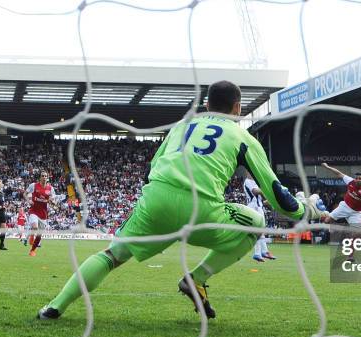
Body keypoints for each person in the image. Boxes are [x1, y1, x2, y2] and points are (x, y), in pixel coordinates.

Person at [38, 80, 325, 320]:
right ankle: (196, 278)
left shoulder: (182, 127)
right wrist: (307, 211)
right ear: (237, 108)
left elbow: (152, 169)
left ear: (207, 106)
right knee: (256, 222)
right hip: (202, 211)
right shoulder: (243, 137)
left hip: (156, 203)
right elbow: (277, 196)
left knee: (111, 256)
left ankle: (54, 307)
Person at [321, 163, 361, 262]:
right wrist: (327, 167)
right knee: (326, 221)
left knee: (355, 235)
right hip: (344, 206)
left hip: (356, 213)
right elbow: (339, 173)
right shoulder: (350, 181)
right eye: (357, 178)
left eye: (360, 178)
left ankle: (350, 256)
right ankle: (333, 230)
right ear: (354, 179)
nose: (358, 180)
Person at [25, 171, 60, 257]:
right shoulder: (33, 185)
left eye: (45, 176)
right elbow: (24, 194)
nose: (44, 177)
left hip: (43, 214)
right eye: (42, 176)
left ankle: (32, 250)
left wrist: (54, 203)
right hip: (34, 211)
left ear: (47, 178)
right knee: (35, 227)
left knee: (40, 235)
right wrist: (28, 200)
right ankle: (32, 236)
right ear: (40, 177)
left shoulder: (50, 188)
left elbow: (52, 200)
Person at [243, 174, 276, 262]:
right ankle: (260, 252)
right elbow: (255, 191)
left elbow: (260, 200)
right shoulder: (248, 181)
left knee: (260, 231)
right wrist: (266, 191)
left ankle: (262, 252)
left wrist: (268, 202)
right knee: (258, 230)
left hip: (258, 207)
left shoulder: (255, 182)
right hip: (253, 208)